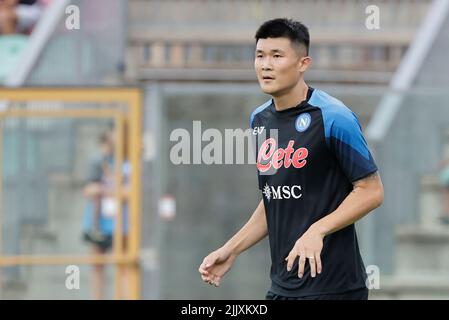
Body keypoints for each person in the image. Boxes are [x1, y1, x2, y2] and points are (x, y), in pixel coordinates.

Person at [198, 18, 384, 300]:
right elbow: (274, 196)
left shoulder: (334, 117)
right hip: (283, 286)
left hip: (335, 288)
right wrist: (232, 248)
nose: (265, 65)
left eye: (277, 56)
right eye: (260, 55)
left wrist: (317, 230)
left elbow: (371, 191)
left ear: (303, 63)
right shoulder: (259, 120)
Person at [82, 126, 130, 299]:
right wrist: (111, 189)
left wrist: (106, 189)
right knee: (97, 267)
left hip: (122, 224)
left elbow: (131, 192)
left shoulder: (129, 163)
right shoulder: (98, 162)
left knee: (125, 266)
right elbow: (89, 190)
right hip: (99, 223)